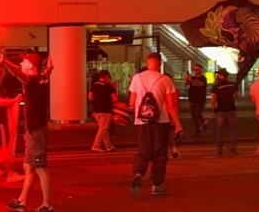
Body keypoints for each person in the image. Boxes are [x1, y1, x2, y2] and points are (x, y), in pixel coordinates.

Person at [1, 53, 55, 212]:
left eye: (24, 61)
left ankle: (47, 206)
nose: (22, 63)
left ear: (31, 66)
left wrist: (4, 62)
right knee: (28, 166)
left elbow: (18, 72)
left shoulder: (31, 81)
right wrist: (50, 66)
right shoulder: (42, 79)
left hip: (36, 131)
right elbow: (47, 72)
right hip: (34, 131)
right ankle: (22, 201)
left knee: (40, 168)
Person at [128, 53, 182, 196]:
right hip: (161, 121)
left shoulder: (136, 78)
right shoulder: (165, 80)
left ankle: (138, 173)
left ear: (147, 62)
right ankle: (156, 185)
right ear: (160, 64)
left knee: (144, 150)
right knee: (160, 153)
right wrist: (178, 124)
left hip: (141, 122)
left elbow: (132, 103)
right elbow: (171, 106)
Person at [211, 68, 239, 155]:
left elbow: (212, 99)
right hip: (231, 109)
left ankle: (220, 148)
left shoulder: (216, 86)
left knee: (220, 129)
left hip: (220, 110)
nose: (217, 76)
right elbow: (237, 96)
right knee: (234, 128)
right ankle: (233, 148)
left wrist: (214, 108)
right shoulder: (233, 85)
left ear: (221, 76)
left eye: (218, 74)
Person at [89, 69, 117, 152]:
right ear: (106, 76)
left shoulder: (94, 85)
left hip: (96, 110)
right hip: (106, 110)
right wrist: (114, 88)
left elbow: (90, 97)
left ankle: (108, 146)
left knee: (103, 128)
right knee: (103, 128)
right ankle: (96, 145)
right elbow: (115, 99)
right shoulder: (109, 87)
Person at [184, 64, 208, 136]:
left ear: (200, 69)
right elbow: (186, 84)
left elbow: (200, 84)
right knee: (193, 114)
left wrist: (191, 80)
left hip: (200, 98)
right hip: (192, 98)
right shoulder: (192, 77)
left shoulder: (203, 78)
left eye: (197, 69)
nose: (195, 71)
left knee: (197, 113)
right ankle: (198, 128)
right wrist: (186, 78)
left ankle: (202, 125)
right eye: (194, 69)